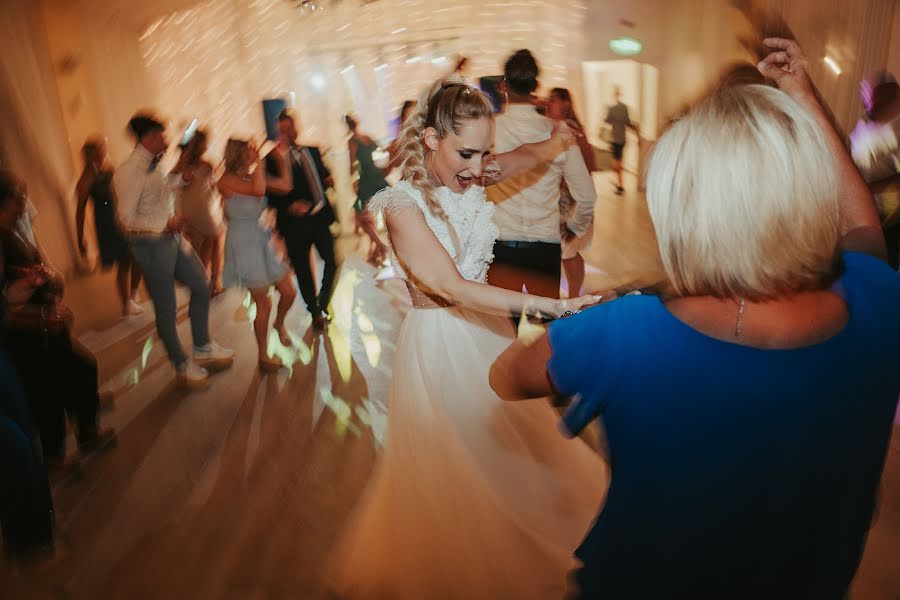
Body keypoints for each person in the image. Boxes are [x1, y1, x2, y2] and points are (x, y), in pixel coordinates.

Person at [490, 39, 899, 599]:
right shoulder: (875, 305)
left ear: (683, 212)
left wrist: (595, 310)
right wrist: (802, 94)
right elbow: (864, 230)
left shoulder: (629, 332)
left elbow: (508, 376)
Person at [328, 78, 612, 599]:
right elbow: (449, 285)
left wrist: (557, 142)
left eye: (485, 153)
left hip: (488, 334)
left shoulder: (472, 169)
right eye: (467, 152)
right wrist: (550, 305)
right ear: (432, 138)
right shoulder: (399, 205)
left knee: (510, 451)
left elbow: (522, 158)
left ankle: (521, 531)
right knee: (458, 470)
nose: (479, 166)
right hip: (439, 347)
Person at [0, 170, 116, 467]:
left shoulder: (12, 233)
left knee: (83, 369)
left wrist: (50, 282)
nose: (23, 208)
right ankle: (54, 459)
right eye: (17, 203)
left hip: (44, 326)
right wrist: (43, 317)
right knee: (48, 395)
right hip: (26, 338)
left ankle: (88, 430)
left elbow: (36, 270)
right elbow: (6, 311)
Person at [113, 114, 234, 389]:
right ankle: (181, 364)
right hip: (151, 247)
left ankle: (202, 346)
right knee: (166, 309)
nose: (167, 140)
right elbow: (126, 219)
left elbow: (157, 192)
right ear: (149, 137)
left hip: (171, 239)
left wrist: (179, 180)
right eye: (162, 135)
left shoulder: (153, 166)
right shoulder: (129, 171)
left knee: (202, 286)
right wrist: (164, 224)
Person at [486, 49, 596, 299]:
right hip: (545, 245)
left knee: (503, 332)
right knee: (548, 327)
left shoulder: (487, 130)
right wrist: (574, 227)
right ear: (535, 85)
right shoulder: (558, 134)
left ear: (504, 85)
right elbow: (587, 195)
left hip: (500, 244)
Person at [218, 138, 297, 372]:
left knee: (289, 291)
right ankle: (263, 355)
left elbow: (284, 185)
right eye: (249, 150)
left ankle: (279, 324)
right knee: (263, 301)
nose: (254, 152)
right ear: (239, 155)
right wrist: (261, 164)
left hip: (260, 239)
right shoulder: (226, 180)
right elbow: (258, 191)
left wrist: (282, 158)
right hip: (243, 244)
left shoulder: (251, 177)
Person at [264, 110, 338, 332]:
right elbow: (267, 196)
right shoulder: (271, 159)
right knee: (303, 270)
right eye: (282, 130)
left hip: (320, 216)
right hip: (294, 224)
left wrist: (328, 180)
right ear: (278, 131)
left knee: (332, 261)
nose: (287, 133)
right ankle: (315, 311)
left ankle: (323, 302)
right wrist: (289, 206)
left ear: (296, 128)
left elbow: (323, 175)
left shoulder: (312, 150)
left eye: (290, 128)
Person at [75, 137, 143, 317]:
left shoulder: (108, 168)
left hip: (122, 217)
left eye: (103, 149)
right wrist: (79, 237)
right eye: (99, 150)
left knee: (136, 258)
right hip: (107, 223)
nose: (103, 152)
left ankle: (133, 295)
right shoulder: (84, 181)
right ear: (89, 155)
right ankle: (127, 303)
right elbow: (80, 212)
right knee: (124, 261)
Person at [546, 87, 598, 296]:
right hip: (562, 200)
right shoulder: (557, 128)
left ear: (565, 104)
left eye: (553, 100)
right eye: (548, 100)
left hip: (571, 201)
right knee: (567, 252)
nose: (548, 103)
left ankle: (574, 297)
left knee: (569, 252)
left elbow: (586, 166)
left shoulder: (569, 129)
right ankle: (573, 297)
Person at [849, 71, 900, 269]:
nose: (866, 98)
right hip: (866, 216)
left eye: (870, 92)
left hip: (891, 219)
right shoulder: (863, 129)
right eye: (865, 93)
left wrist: (866, 188)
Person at [172, 129, 225, 294]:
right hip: (201, 208)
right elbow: (214, 185)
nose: (205, 146)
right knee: (213, 242)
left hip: (190, 208)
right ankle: (211, 282)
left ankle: (204, 283)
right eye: (204, 143)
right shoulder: (203, 164)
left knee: (200, 246)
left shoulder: (185, 163)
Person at [345, 114, 389, 265]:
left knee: (362, 217)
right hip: (377, 177)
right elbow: (381, 150)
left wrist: (353, 180)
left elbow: (352, 166)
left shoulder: (352, 141)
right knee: (370, 216)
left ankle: (381, 247)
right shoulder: (367, 137)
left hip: (367, 180)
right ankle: (374, 253)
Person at [604, 86, 638, 194]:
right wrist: (636, 131)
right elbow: (628, 122)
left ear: (614, 94)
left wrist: (607, 111)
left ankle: (620, 185)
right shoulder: (624, 108)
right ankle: (619, 182)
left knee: (617, 162)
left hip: (615, 138)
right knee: (620, 161)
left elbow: (607, 121)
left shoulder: (612, 109)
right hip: (622, 138)